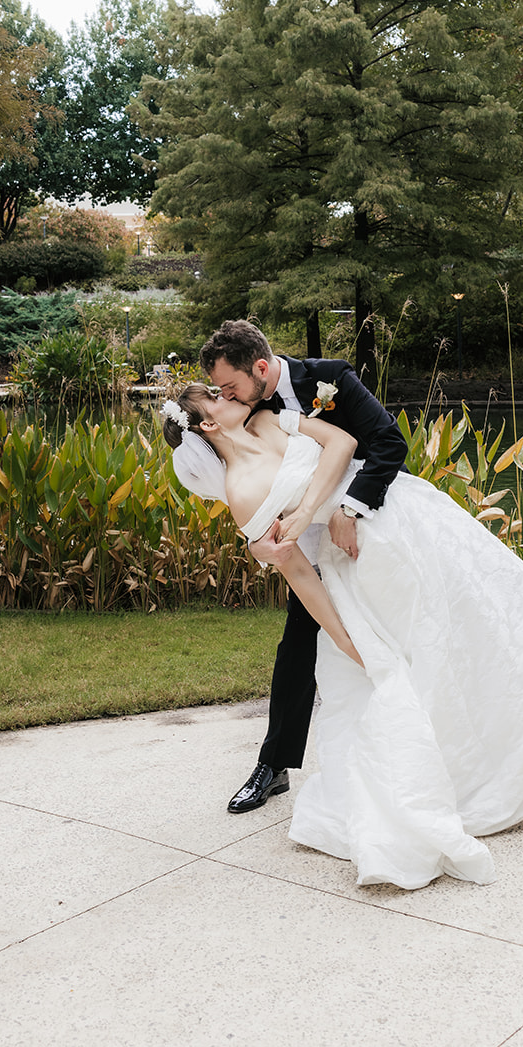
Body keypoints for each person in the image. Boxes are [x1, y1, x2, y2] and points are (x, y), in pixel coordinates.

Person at [163, 383, 523, 892]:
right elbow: (297, 572)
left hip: (405, 518)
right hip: (361, 563)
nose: (229, 394)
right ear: (208, 424)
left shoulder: (269, 421)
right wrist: (343, 639)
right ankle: (448, 780)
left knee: (502, 607)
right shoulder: (242, 490)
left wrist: (314, 510)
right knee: (412, 668)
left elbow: (341, 444)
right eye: (217, 396)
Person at [170, 320, 408, 815]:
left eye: (229, 386)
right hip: (311, 547)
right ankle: (273, 765)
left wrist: (350, 509)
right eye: (220, 391)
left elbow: (387, 442)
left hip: (372, 517)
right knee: (299, 644)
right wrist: (262, 539)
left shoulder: (329, 379)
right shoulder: (248, 413)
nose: (226, 394)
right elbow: (252, 488)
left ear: (259, 368)